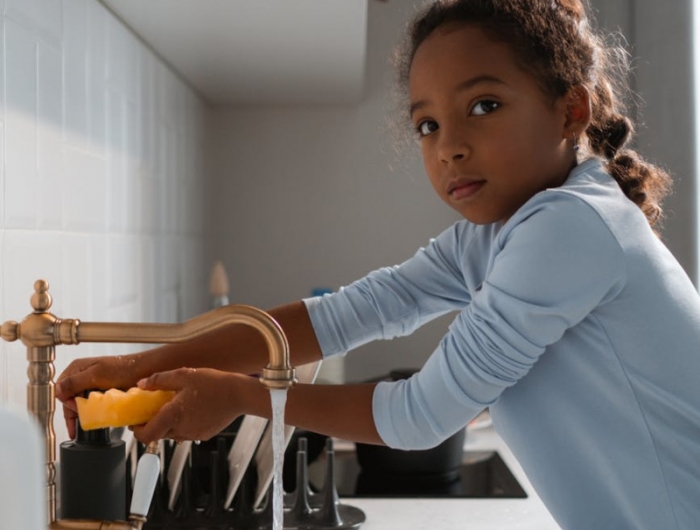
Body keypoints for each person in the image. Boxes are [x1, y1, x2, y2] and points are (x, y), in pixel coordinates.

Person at [56, 1, 700, 528]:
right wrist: (141, 363)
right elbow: (343, 316)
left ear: (571, 109)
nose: (449, 147)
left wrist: (241, 397)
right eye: (426, 125)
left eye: (483, 106)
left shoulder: (570, 227)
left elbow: (420, 415)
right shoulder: (506, 232)